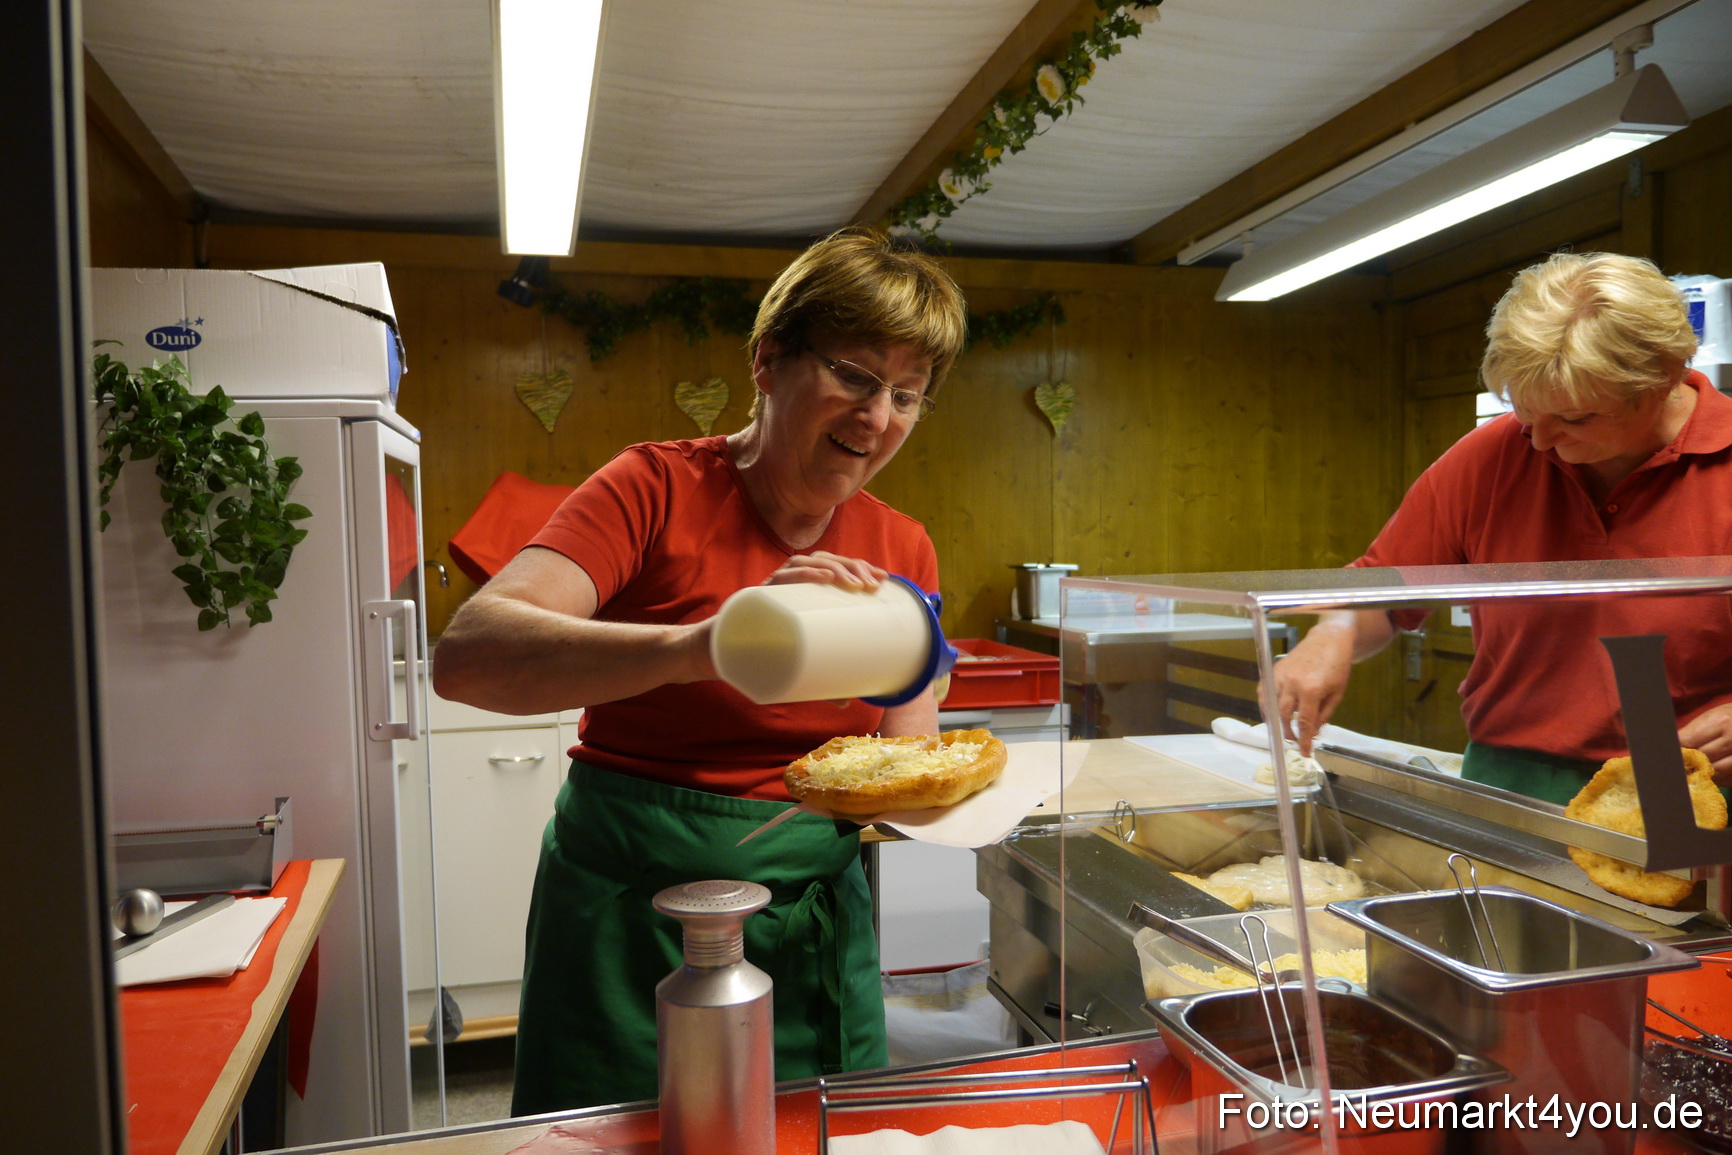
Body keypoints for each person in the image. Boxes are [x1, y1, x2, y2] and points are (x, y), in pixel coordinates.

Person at [432, 227, 967, 1114]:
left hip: (807, 932)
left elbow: (904, 764)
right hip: (625, 920)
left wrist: (948, 794)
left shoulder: (900, 546)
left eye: (907, 395)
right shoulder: (652, 488)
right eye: (855, 376)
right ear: (767, 362)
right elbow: (470, 656)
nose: (878, 417)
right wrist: (701, 645)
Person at [1275, 251, 1732, 803]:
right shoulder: (1490, 456)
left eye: (1574, 418)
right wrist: (1334, 632)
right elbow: (1381, 590)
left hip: (1685, 785)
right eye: (1524, 411)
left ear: (1662, 378)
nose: (1538, 442)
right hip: (1509, 776)